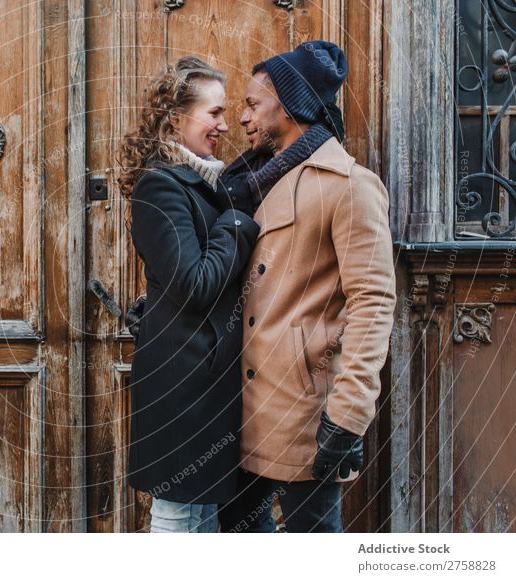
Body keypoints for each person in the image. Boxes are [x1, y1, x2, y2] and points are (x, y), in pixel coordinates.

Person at [215, 41, 396, 533]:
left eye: (253, 103)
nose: (244, 118)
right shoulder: (255, 179)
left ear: (290, 103)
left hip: (304, 412)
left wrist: (350, 413)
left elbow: (373, 301)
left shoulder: (349, 185)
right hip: (236, 404)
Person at [118, 56, 260, 533]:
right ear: (175, 118)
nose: (225, 124)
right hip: (182, 385)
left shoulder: (202, 182)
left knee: (202, 516)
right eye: (214, 113)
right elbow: (195, 285)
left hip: (206, 381)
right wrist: (237, 223)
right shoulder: (161, 186)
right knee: (178, 515)